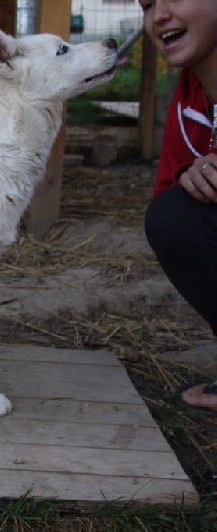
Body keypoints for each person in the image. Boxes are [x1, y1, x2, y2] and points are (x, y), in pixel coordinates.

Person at [141, 0, 217, 411]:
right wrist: (194, 174)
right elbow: (173, 215)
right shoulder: (188, 97)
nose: (159, 15)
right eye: (147, 4)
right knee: (174, 217)